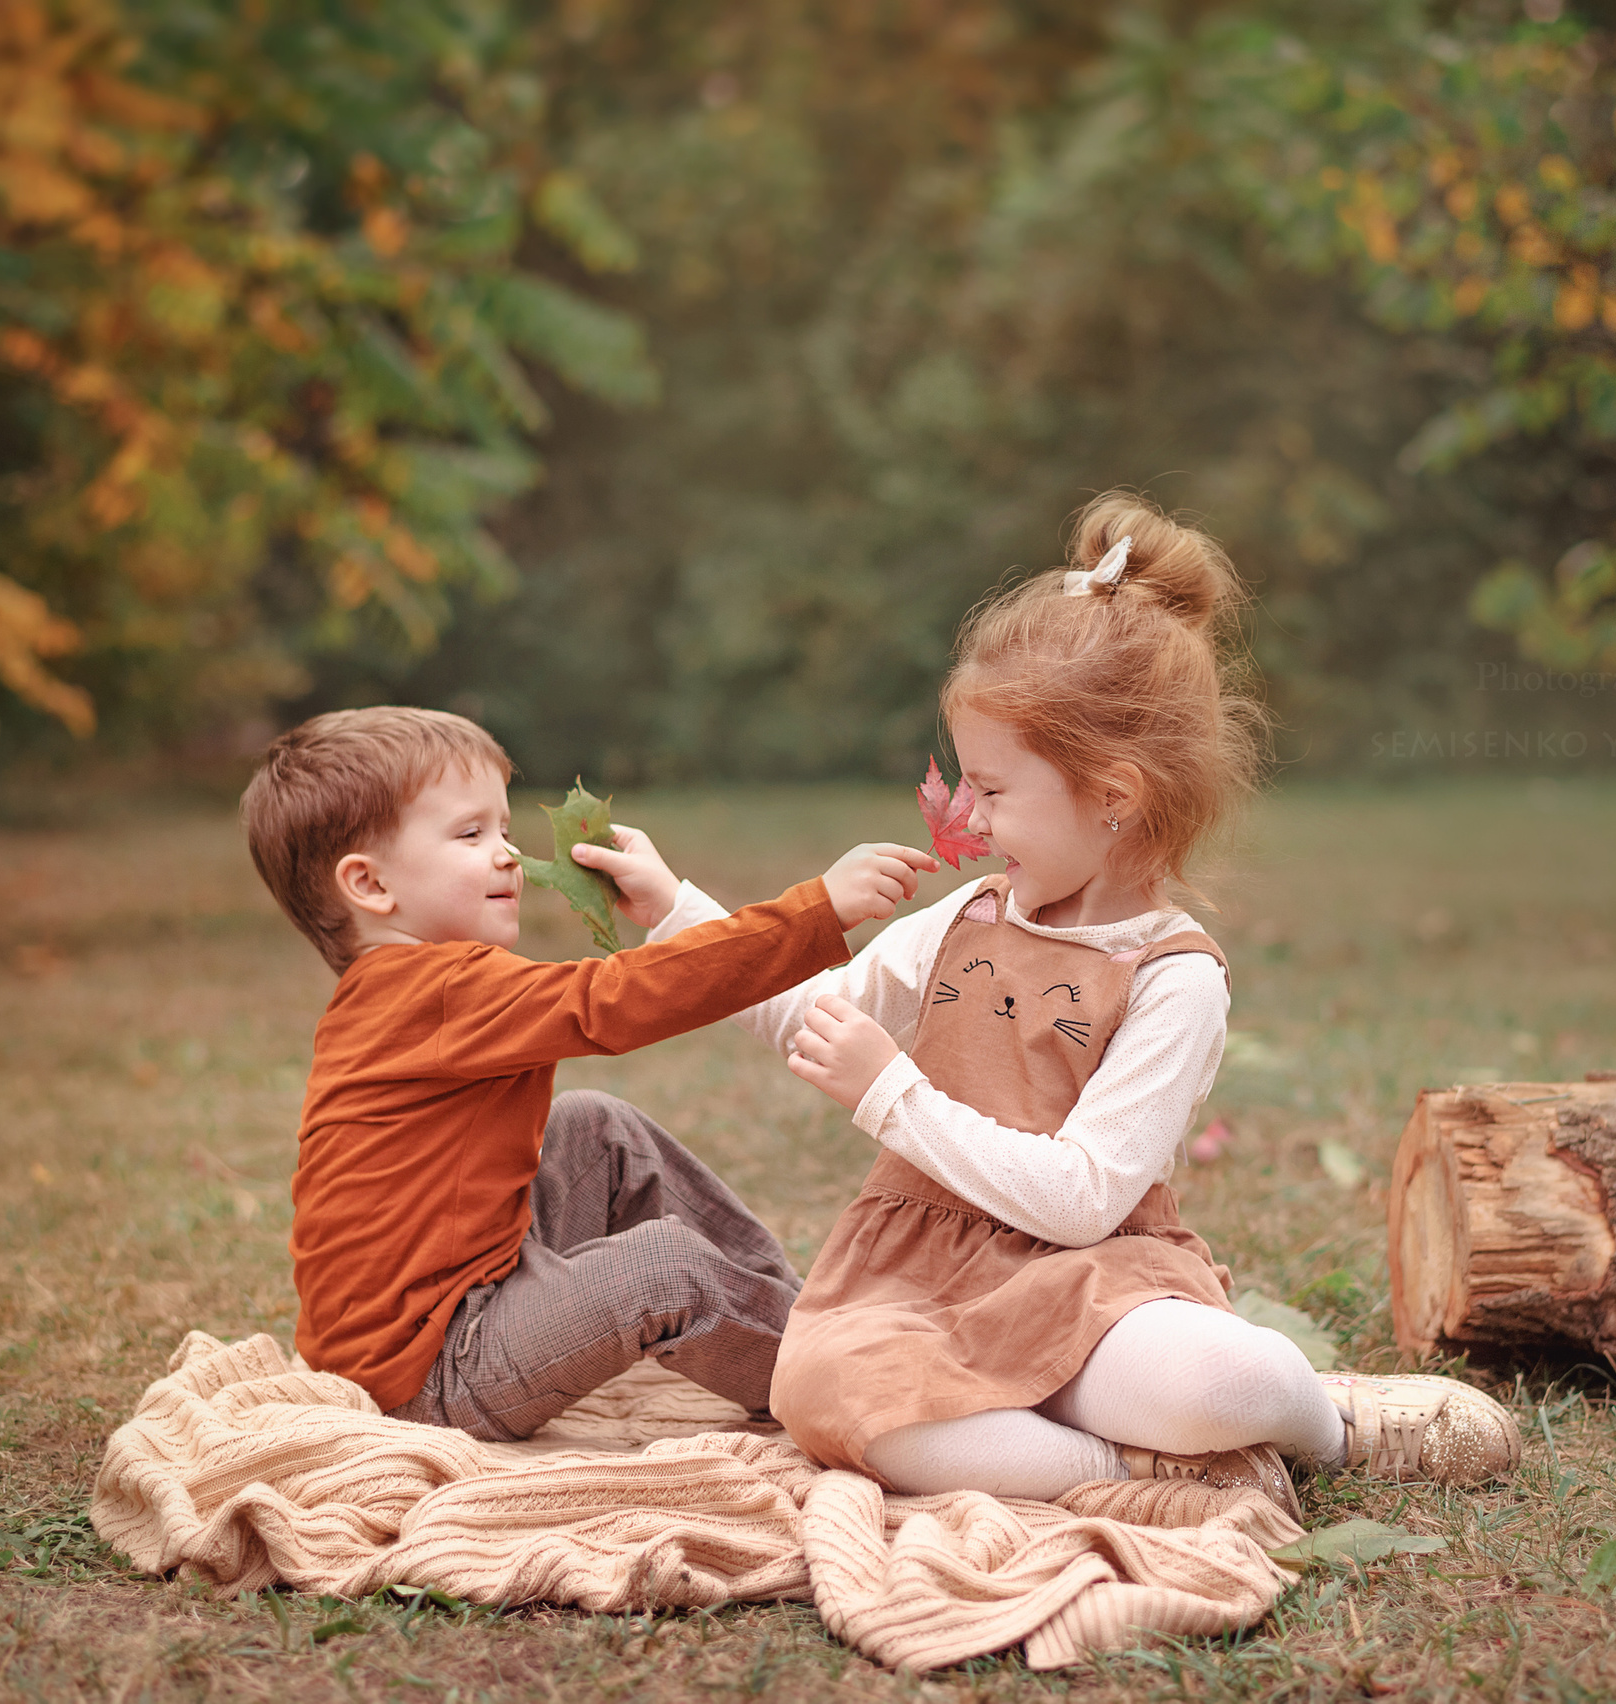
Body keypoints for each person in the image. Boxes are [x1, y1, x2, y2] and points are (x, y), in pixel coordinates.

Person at [640, 495, 1522, 1519]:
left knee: (1223, 1384)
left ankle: (1328, 1425)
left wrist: (892, 1096)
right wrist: (672, 908)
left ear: (1114, 794)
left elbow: (1082, 1201)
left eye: (993, 789)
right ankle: (1133, 1476)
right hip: (919, 1283)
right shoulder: (965, 918)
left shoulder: (1171, 977)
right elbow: (812, 1015)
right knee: (819, 1391)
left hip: (1089, 1283)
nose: (963, 818)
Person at [239, 705, 938, 1438]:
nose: (508, 854)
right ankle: (856, 1391)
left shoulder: (417, 988)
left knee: (596, 1129)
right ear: (370, 885)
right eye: (471, 835)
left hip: (473, 1293)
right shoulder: (429, 992)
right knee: (661, 1271)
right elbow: (615, 1000)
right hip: (429, 1375)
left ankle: (799, 1318)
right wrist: (813, 913)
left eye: (505, 830)